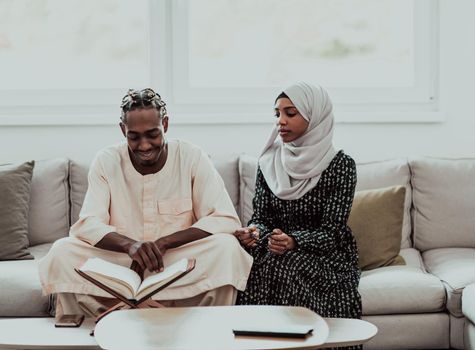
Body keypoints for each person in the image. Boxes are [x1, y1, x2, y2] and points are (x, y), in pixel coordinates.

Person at [39, 88, 253, 319]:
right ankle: (130, 319)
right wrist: (131, 246)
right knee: (63, 250)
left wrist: (165, 243)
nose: (144, 145)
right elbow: (88, 224)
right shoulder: (107, 160)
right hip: (121, 264)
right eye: (134, 136)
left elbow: (223, 218)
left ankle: (136, 315)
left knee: (226, 247)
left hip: (174, 263)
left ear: (166, 124)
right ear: (123, 130)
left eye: (152, 134)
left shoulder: (191, 157)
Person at [235, 82, 362, 348]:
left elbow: (332, 232)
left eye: (290, 113)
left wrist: (294, 241)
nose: (280, 121)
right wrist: (255, 232)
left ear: (314, 116)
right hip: (273, 248)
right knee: (260, 263)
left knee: (286, 266)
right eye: (277, 114)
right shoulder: (269, 161)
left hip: (323, 254)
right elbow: (261, 216)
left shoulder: (341, 165)